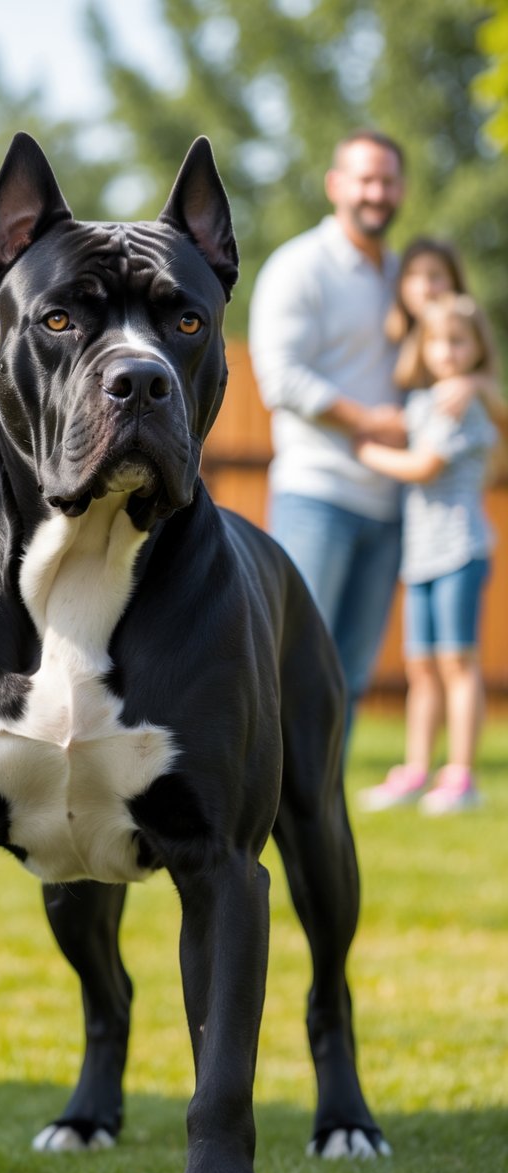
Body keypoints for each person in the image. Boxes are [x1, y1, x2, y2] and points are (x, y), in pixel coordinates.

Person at [249, 129, 407, 738]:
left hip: (390, 500)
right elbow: (280, 378)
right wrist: (370, 421)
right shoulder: (299, 266)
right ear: (336, 185)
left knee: (352, 676)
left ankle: (324, 818)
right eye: (365, 178)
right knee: (293, 670)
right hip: (318, 494)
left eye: (388, 180)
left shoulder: (402, 273)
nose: (377, 192)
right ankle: (268, 808)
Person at [356, 293, 498, 814]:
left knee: (457, 663)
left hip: (461, 549)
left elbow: (425, 466)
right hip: (422, 555)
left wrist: (371, 453)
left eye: (458, 341)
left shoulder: (467, 403)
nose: (446, 352)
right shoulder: (427, 401)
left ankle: (461, 776)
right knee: (421, 667)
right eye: (436, 341)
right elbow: (406, 422)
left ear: (478, 347)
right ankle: (417, 770)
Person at [388, 236, 508, 438]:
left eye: (435, 276)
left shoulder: (468, 332)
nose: (424, 288)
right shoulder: (392, 336)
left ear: (454, 281)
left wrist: (473, 384)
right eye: (412, 275)